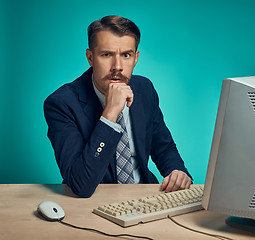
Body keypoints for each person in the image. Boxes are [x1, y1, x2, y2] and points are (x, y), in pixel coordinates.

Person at [44, 15, 192, 198]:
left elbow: (163, 146)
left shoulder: (144, 89)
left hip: (143, 197)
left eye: (126, 55)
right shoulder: (61, 104)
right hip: (91, 202)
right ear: (90, 58)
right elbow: (80, 184)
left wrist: (177, 171)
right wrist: (110, 114)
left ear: (136, 57)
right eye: (106, 55)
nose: (118, 66)